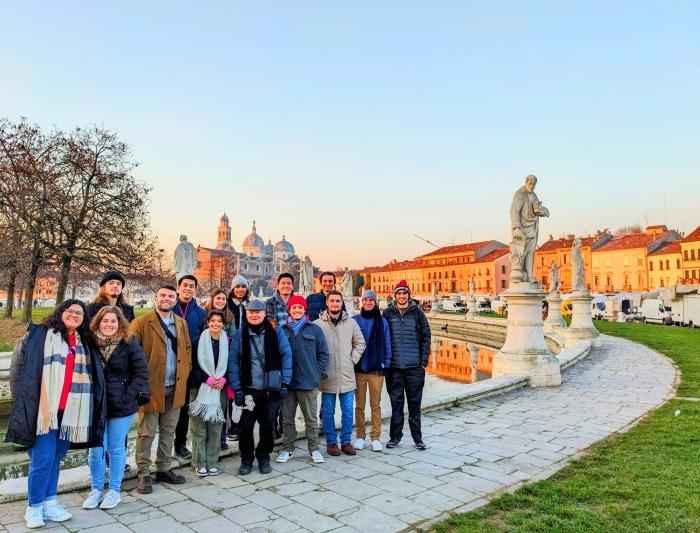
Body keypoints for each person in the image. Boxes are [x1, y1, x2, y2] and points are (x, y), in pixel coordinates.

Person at [6, 300, 106, 529]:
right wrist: (21, 403)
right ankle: (34, 507)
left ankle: (50, 503)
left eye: (79, 313)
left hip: (70, 413)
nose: (74, 315)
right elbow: (19, 370)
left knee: (56, 458)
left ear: (84, 319)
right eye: (70, 311)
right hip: (44, 411)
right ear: (60, 313)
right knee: (42, 459)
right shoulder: (40, 336)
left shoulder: (83, 343)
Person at [83, 307, 149, 511]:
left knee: (116, 448)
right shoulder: (89, 342)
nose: (109, 324)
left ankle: (114, 491)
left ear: (120, 323)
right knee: (96, 449)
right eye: (105, 321)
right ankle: (95, 489)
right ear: (98, 322)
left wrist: (127, 395)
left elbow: (141, 372)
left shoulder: (128, 342)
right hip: (95, 404)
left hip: (121, 404)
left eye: (113, 321)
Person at [130, 285, 192, 494]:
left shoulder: (180, 323)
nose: (167, 299)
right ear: (155, 298)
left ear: (175, 300)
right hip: (151, 388)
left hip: (176, 386)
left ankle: (164, 468)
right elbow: (130, 354)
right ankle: (144, 473)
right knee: (147, 431)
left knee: (168, 430)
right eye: (163, 295)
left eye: (170, 296)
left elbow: (187, 348)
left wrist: (186, 368)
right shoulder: (141, 323)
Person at [227, 299, 292, 475]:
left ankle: (263, 456)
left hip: (271, 390)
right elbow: (233, 362)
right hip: (248, 389)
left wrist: (285, 383)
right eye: (251, 312)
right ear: (247, 314)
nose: (254, 315)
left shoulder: (276, 332)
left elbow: (286, 356)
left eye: (258, 312)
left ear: (264, 313)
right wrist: (237, 389)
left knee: (268, 426)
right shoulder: (240, 335)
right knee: (245, 427)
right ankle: (246, 458)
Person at [85, 269, 135, 475]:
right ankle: (98, 461)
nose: (115, 286)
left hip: (120, 369)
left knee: (119, 421)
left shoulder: (127, 309)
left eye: (119, 284)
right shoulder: (91, 309)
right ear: (103, 286)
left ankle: (116, 460)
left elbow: (130, 338)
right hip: (98, 368)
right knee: (98, 421)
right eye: (111, 283)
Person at [277, 295, 329, 464]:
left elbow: (323, 354)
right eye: (294, 308)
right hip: (288, 382)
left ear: (305, 310)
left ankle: (314, 449)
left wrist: (317, 372)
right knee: (287, 418)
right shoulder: (282, 330)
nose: (297, 310)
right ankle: (287, 448)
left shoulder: (314, 329)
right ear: (289, 311)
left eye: (300, 307)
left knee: (311, 419)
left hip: (308, 381)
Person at [314, 291, 365, 457]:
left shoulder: (351, 323)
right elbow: (312, 349)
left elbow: (360, 343)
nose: (335, 304)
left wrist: (352, 360)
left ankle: (346, 441)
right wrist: (318, 366)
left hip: (347, 374)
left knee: (348, 411)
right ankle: (331, 442)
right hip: (327, 375)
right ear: (327, 303)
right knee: (328, 411)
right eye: (332, 301)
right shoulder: (317, 325)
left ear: (341, 303)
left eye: (338, 301)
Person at [383, 280, 431, 450]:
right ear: (395, 295)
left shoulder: (418, 314)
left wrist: (423, 362)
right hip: (394, 368)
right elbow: (383, 338)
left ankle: (418, 439)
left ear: (409, 295)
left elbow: (426, 337)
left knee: (414, 404)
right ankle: (395, 438)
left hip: (414, 368)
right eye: (399, 293)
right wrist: (385, 363)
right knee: (396, 404)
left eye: (404, 293)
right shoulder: (388, 313)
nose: (402, 296)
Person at [188, 310, 230, 477]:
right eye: (213, 320)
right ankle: (199, 462)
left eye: (219, 321)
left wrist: (224, 379)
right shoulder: (198, 341)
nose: (215, 324)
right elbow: (192, 366)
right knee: (198, 427)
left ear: (223, 324)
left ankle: (212, 461)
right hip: (200, 387)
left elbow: (231, 363)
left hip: (219, 389)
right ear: (208, 322)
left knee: (215, 427)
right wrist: (207, 378)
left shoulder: (227, 341)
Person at [352, 289, 391, 452]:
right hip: (359, 369)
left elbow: (387, 343)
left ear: (375, 303)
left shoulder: (382, 322)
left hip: (376, 369)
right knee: (359, 405)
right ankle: (360, 436)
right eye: (365, 300)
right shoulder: (354, 320)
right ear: (362, 302)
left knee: (375, 405)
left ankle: (376, 437)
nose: (368, 303)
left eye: (371, 300)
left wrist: (386, 363)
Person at [172, 275, 206, 460]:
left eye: (191, 286)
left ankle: (180, 444)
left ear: (195, 290)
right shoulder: (170, 307)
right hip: (170, 364)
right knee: (167, 408)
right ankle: (164, 444)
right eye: (184, 285)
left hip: (190, 366)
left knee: (185, 407)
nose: (187, 289)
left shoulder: (200, 313)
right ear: (178, 288)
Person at [205, 289, 237, 450]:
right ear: (213, 299)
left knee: (223, 405)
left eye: (224, 298)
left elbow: (233, 336)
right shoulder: (204, 312)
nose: (221, 301)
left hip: (223, 360)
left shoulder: (230, 316)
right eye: (218, 298)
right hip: (207, 361)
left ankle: (222, 438)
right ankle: (207, 438)